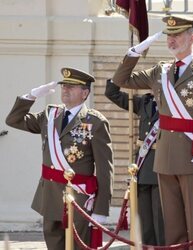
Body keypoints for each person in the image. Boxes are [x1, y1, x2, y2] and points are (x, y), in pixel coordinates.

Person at [112, 15, 193, 249]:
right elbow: (120, 79)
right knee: (172, 228)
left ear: (192, 37)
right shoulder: (160, 72)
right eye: (169, 36)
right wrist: (135, 52)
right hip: (164, 158)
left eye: (177, 35)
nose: (171, 40)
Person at [6, 67, 114, 250]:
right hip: (50, 194)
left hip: (79, 198)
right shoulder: (50, 115)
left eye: (71, 87)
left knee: (79, 246)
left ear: (84, 93)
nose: (65, 89)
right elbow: (14, 120)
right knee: (54, 244)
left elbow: (105, 169)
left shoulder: (95, 122)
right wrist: (30, 96)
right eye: (64, 86)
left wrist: (101, 209)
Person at [105, 79, 165, 246]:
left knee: (161, 220)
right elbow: (112, 93)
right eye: (154, 80)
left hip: (163, 166)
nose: (157, 85)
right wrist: (122, 74)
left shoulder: (174, 104)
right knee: (144, 219)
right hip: (143, 166)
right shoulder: (142, 102)